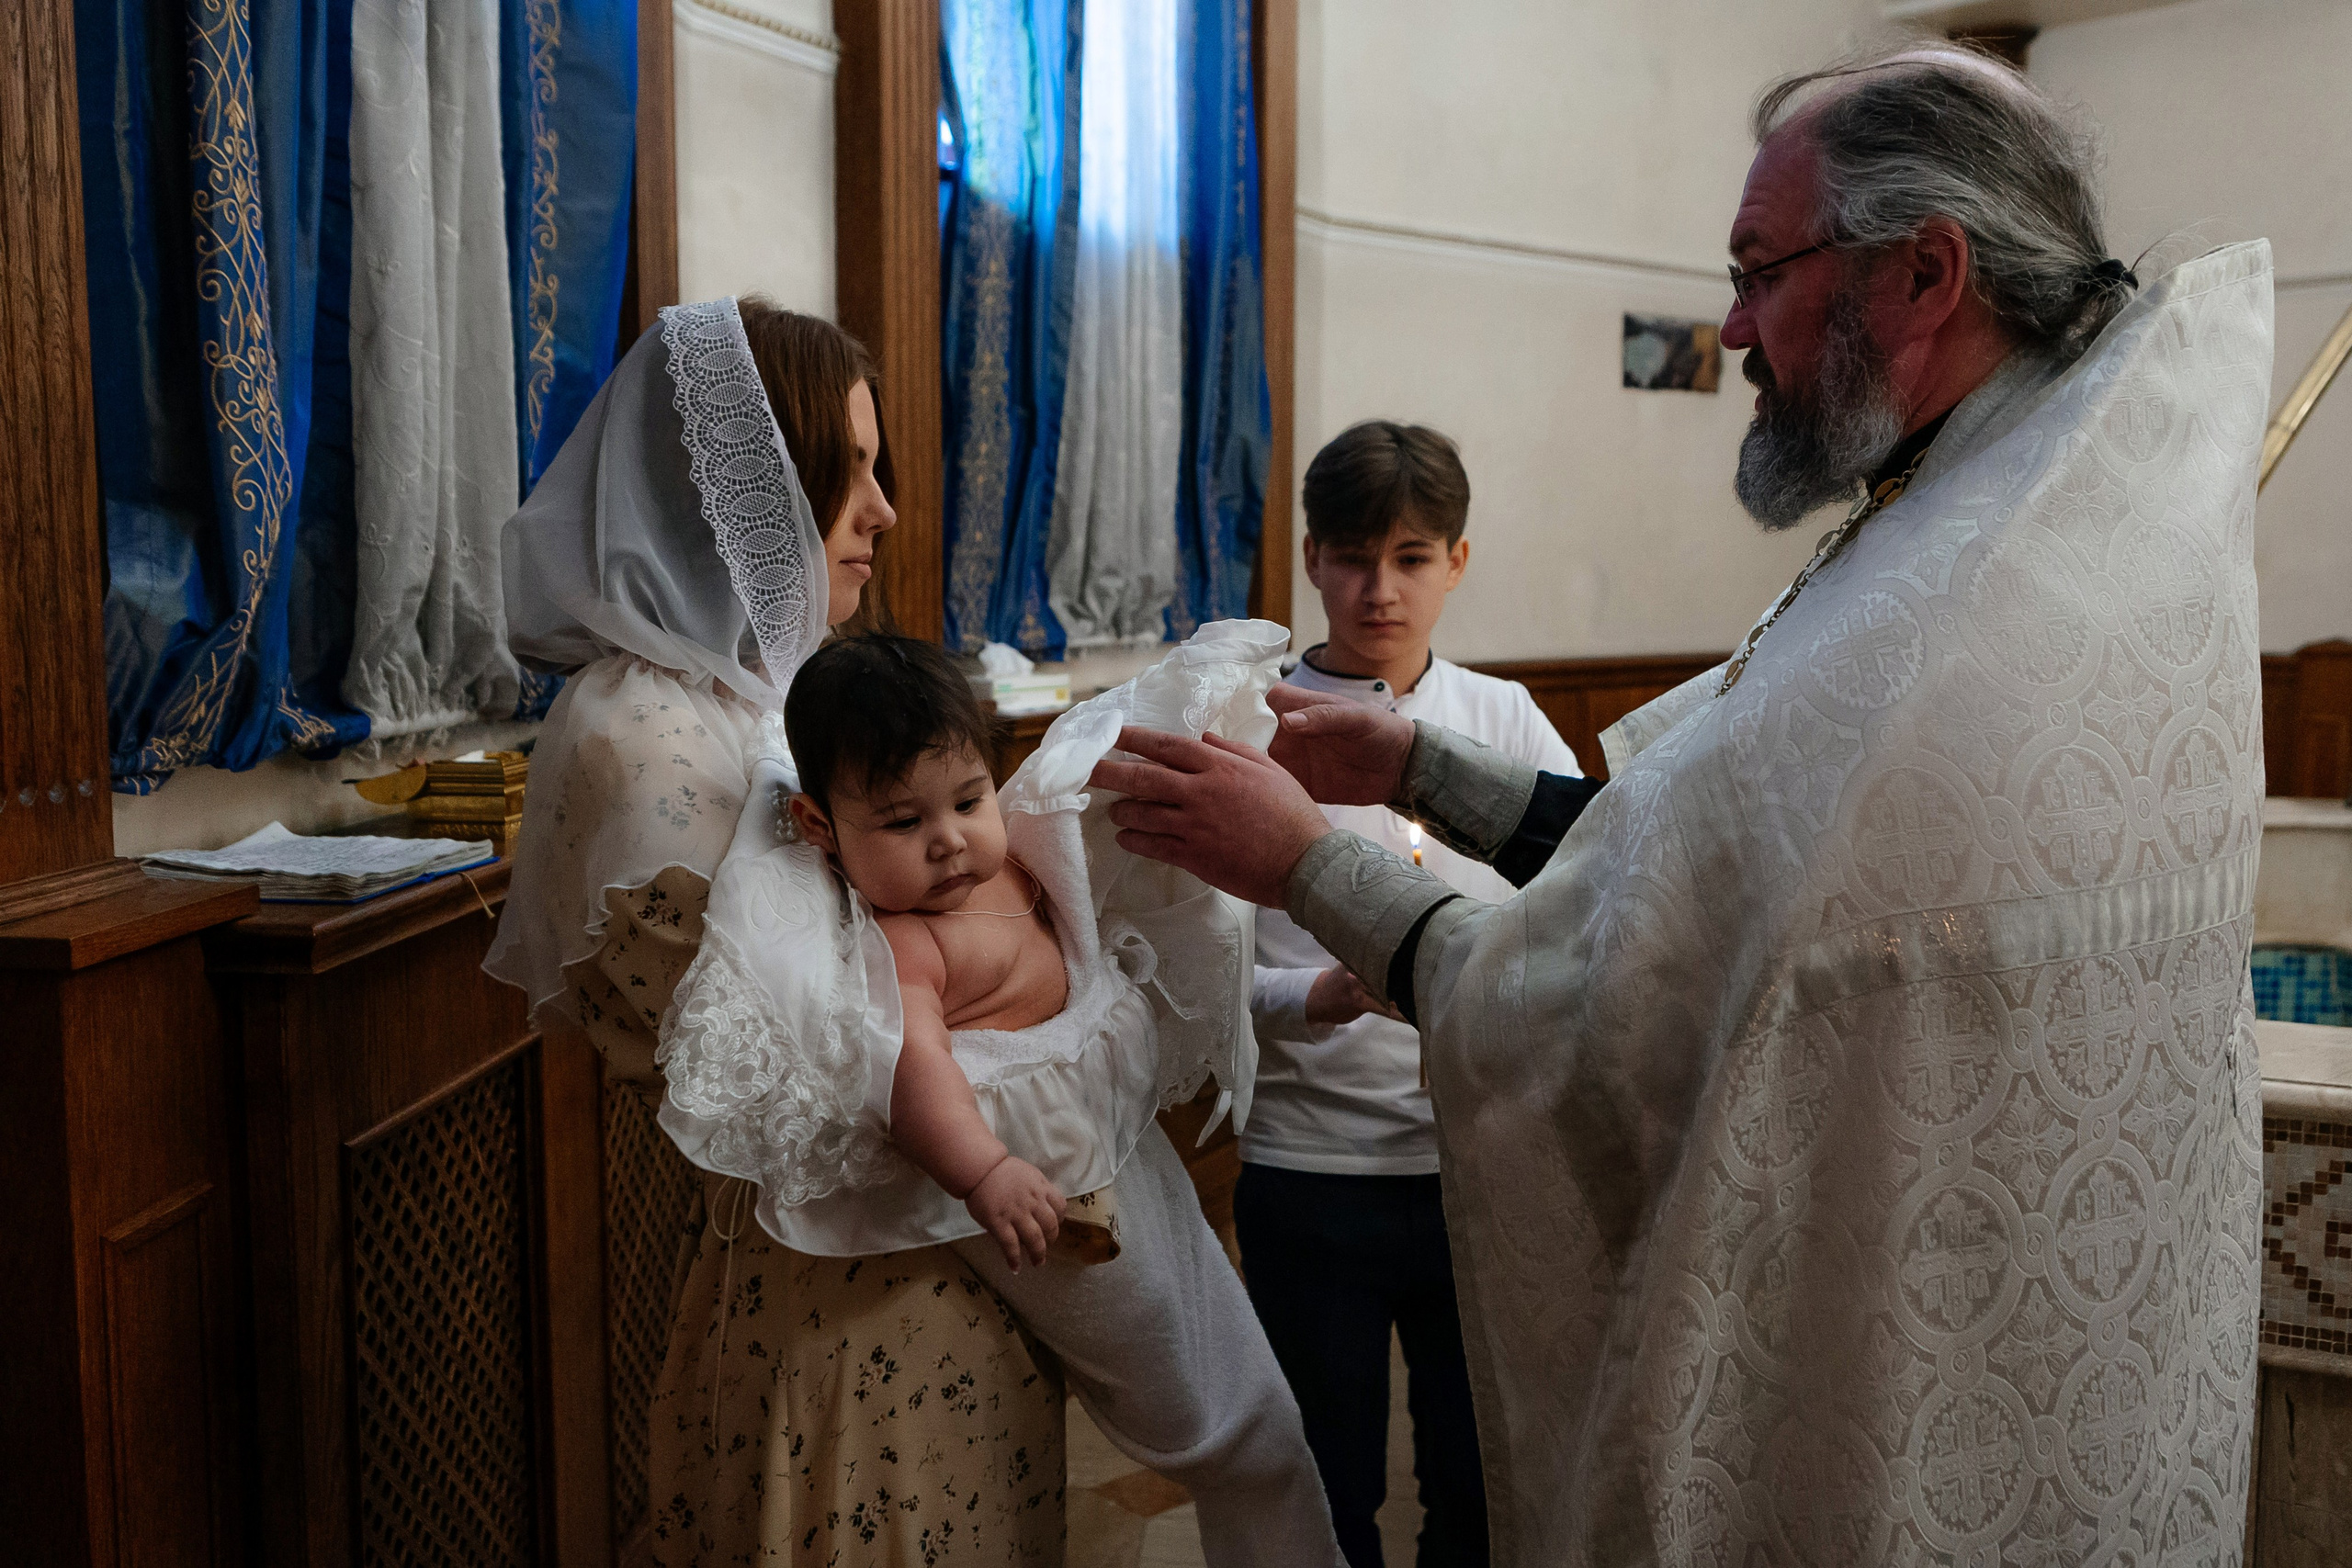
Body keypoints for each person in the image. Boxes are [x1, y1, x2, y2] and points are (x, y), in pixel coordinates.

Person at [1089, 44, 2270, 1565]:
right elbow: (1695, 852)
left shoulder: (1969, 604)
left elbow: (1598, 991)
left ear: (1925, 273)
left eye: (1758, 269)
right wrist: (1407, 771)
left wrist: (1309, 858)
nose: (1729, 327)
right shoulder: (2003, 529)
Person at [486, 297, 1067, 1565]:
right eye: (844, 472)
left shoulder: (751, 698)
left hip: (934, 1267)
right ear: (731, 497)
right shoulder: (641, 735)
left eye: (879, 466)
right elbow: (807, 1092)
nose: (885, 510)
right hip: (840, 1314)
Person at [693, 629, 1346, 1568]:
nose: (949, 839)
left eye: (966, 800)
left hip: (1123, 1148)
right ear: (817, 829)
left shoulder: (1019, 862)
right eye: (901, 823)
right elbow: (912, 1068)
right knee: (1217, 1419)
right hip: (1049, 1186)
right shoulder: (910, 945)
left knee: (1256, 1399)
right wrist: (984, 1169)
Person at [1238, 421, 1577, 1567]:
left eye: (1413, 556)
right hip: (1308, 1164)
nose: (1379, 589)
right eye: (1350, 555)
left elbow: (1577, 911)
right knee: (1324, 1483)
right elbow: (1195, 976)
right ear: (1311, 558)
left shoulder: (1506, 722)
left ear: (1457, 562)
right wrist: (1313, 996)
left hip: (1475, 1161)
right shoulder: (1250, 728)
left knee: (1478, 1478)